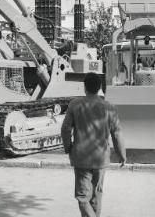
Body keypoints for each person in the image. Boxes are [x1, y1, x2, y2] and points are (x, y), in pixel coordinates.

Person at [61, 72, 126, 217]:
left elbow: (65, 128)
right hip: (101, 159)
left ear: (84, 87)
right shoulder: (109, 107)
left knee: (83, 198)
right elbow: (117, 133)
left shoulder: (75, 104)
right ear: (100, 88)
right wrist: (122, 154)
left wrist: (68, 147)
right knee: (96, 197)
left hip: (81, 158)